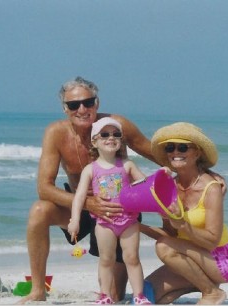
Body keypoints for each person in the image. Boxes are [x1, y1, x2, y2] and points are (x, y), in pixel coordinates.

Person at [18, 77, 156, 304]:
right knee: (38, 210)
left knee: (116, 296)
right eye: (73, 105)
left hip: (116, 211)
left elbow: (157, 154)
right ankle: (37, 290)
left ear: (97, 103)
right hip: (79, 207)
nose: (82, 109)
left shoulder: (115, 126)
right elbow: (44, 187)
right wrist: (87, 204)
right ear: (65, 109)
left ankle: (144, 288)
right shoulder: (56, 133)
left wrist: (205, 174)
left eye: (87, 102)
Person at [140, 122, 228, 305]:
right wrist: (137, 226)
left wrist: (183, 225)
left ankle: (211, 291)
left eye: (182, 147)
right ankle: (199, 283)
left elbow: (212, 240)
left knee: (163, 247)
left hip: (222, 259)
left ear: (197, 153)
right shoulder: (168, 187)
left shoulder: (211, 188)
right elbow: (171, 235)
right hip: (191, 255)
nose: (175, 152)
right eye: (170, 148)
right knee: (146, 293)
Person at [68, 117, 151, 305]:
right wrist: (74, 220)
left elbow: (145, 186)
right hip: (104, 222)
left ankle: (139, 295)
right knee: (107, 259)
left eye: (116, 134)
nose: (111, 138)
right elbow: (80, 196)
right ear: (94, 141)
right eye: (104, 134)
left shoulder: (127, 165)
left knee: (132, 258)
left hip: (129, 220)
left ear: (121, 140)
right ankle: (105, 295)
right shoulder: (91, 169)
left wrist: (162, 177)